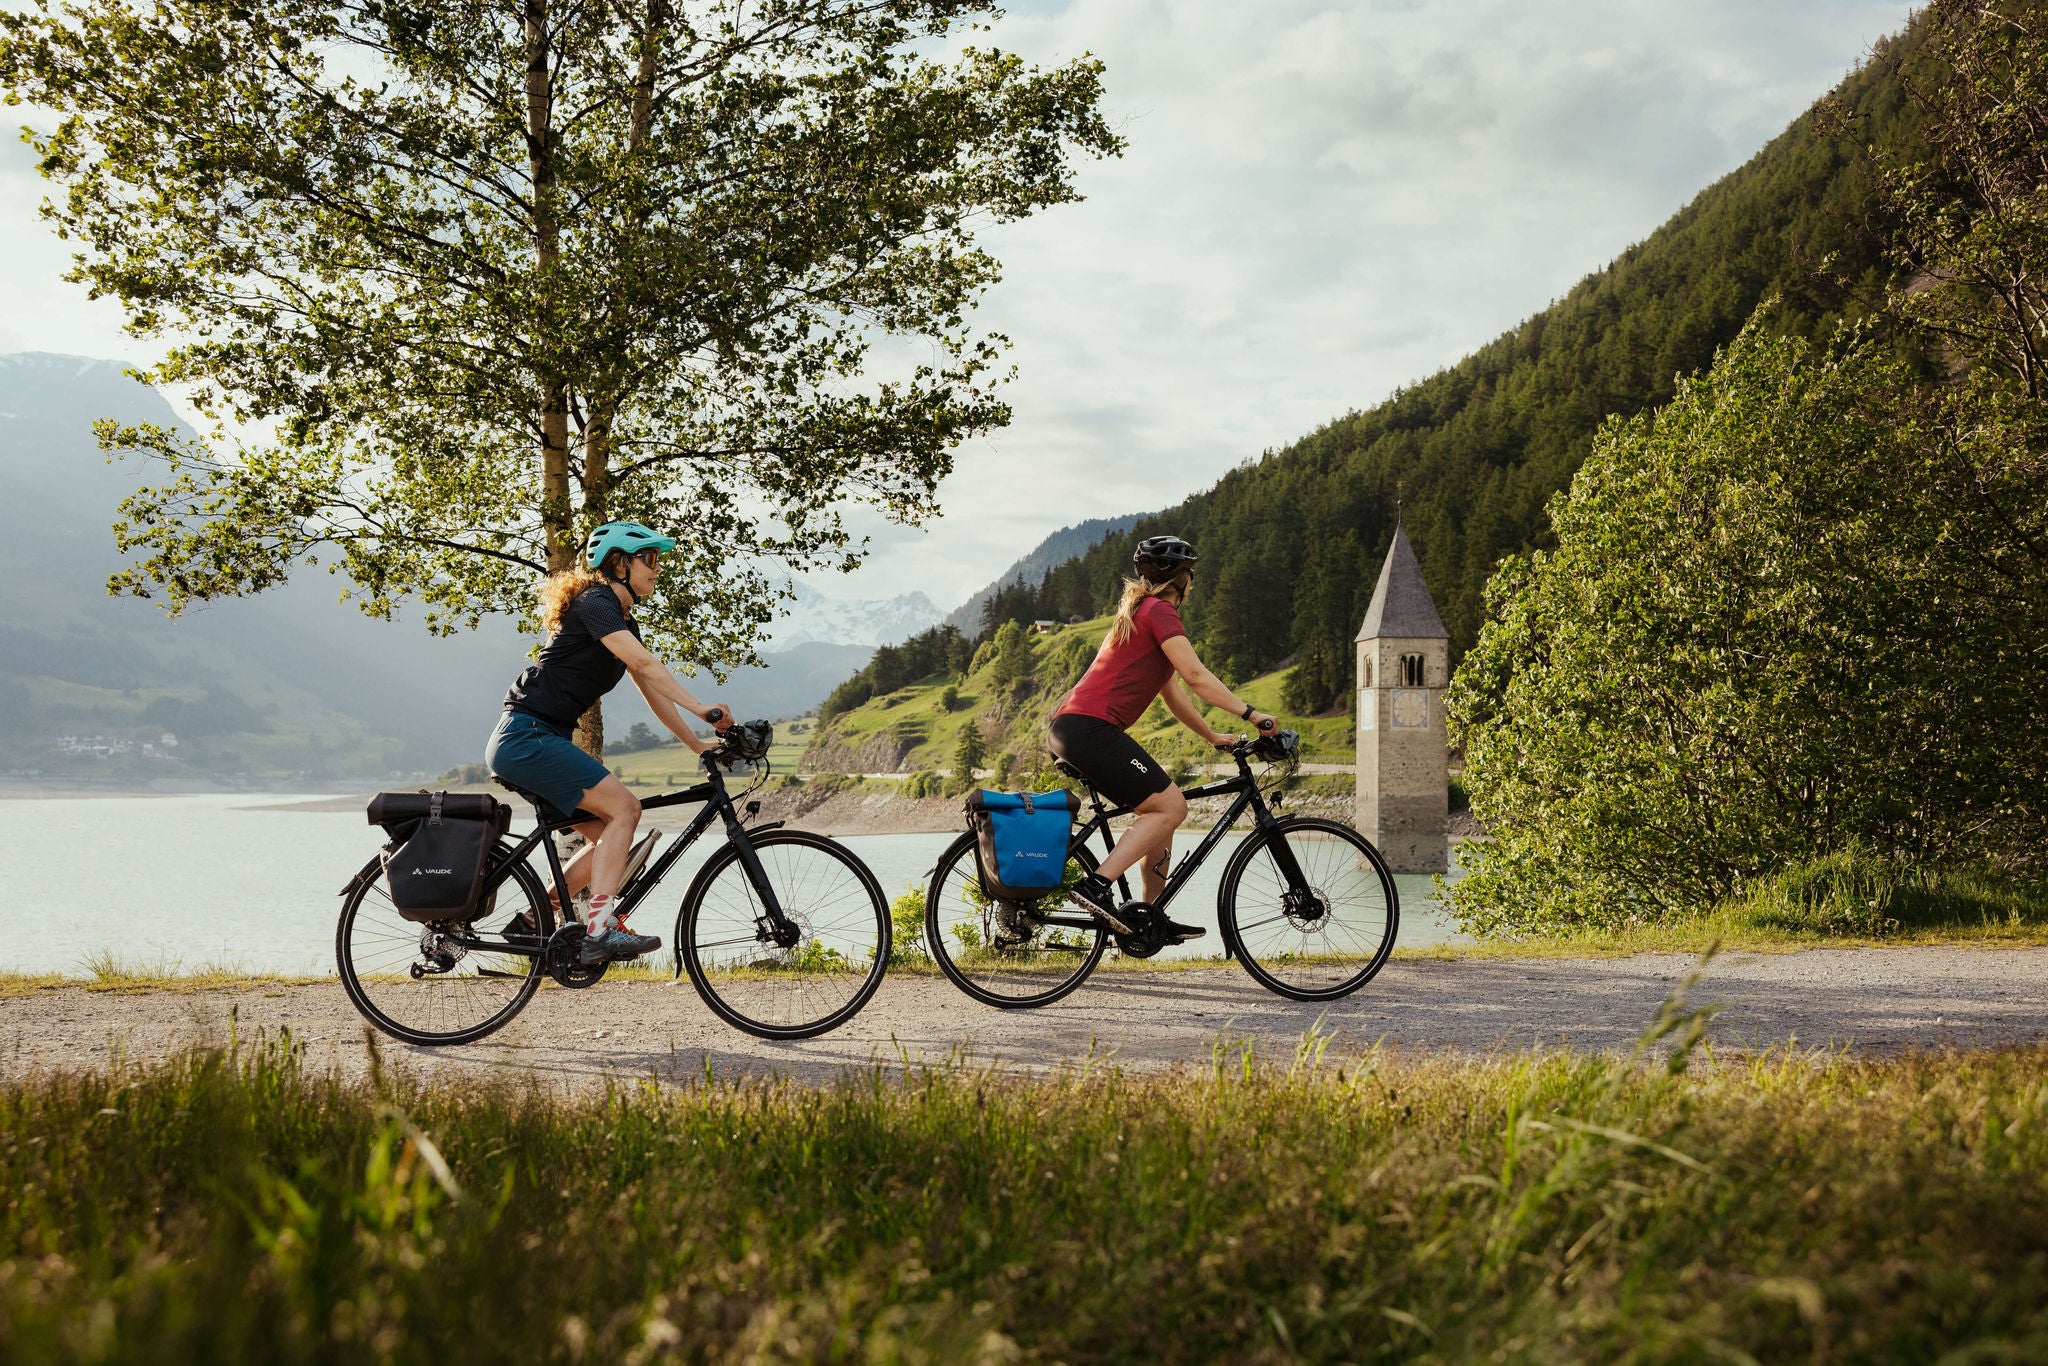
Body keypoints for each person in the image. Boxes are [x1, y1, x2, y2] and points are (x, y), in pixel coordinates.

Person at [485, 521, 733, 964]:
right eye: (650, 560)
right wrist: (705, 709)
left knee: (609, 841)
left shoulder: (622, 623)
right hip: (527, 737)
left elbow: (653, 690)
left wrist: (698, 745)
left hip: (535, 739)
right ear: (620, 563)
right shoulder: (595, 602)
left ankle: (533, 918)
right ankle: (599, 928)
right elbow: (646, 664)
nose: (657, 570)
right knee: (627, 809)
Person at [1047, 535, 1275, 941]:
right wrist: (1252, 714)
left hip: (1073, 730)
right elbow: (1197, 676)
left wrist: (1212, 736)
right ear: (1180, 578)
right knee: (1171, 807)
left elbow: (1174, 693)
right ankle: (1096, 886)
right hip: (1090, 730)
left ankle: (1148, 917)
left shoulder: (1138, 613)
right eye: (1192, 574)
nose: (1195, 582)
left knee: (1161, 811)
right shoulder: (1161, 613)